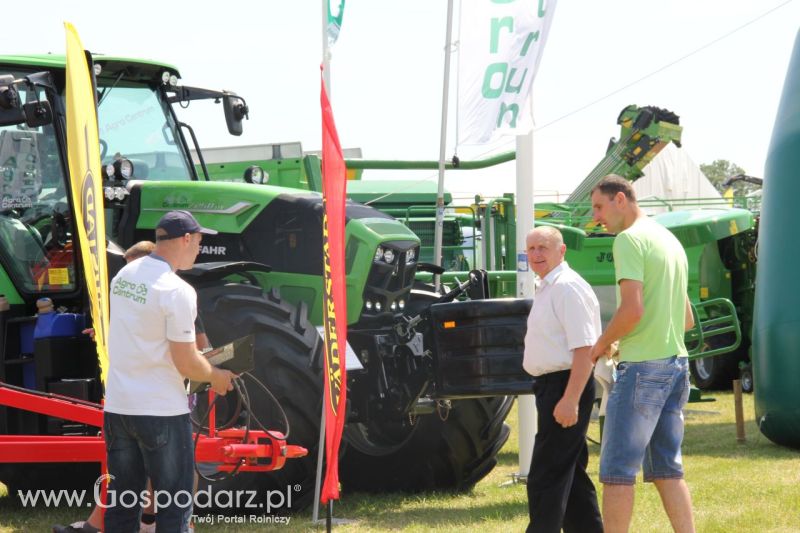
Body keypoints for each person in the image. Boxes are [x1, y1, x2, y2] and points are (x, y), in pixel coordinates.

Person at [54, 238, 212, 533]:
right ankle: (144, 521)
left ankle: (158, 522)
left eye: (136, 269)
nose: (134, 285)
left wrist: (210, 372)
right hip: (143, 402)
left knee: (165, 476)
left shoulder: (175, 294)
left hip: (166, 398)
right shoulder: (153, 293)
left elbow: (199, 348)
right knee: (145, 479)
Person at [103, 210, 235, 532]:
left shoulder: (124, 276)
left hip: (118, 407)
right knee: (174, 508)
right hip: (160, 410)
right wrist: (217, 377)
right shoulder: (178, 290)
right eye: (199, 242)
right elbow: (186, 362)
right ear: (186, 239)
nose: (199, 250)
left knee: (122, 504)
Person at [589, 175, 696, 533]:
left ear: (621, 199)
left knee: (617, 472)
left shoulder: (628, 240)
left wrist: (602, 344)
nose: (596, 217)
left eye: (599, 207)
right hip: (678, 366)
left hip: (643, 370)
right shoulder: (669, 241)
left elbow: (632, 310)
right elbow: (687, 319)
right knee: (668, 469)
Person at [523, 226, 603, 533]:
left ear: (562, 250)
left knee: (546, 475)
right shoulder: (548, 286)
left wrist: (570, 399)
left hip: (566, 385)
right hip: (552, 386)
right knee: (572, 476)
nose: (536, 255)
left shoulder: (568, 287)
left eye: (543, 248)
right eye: (531, 249)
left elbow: (585, 349)